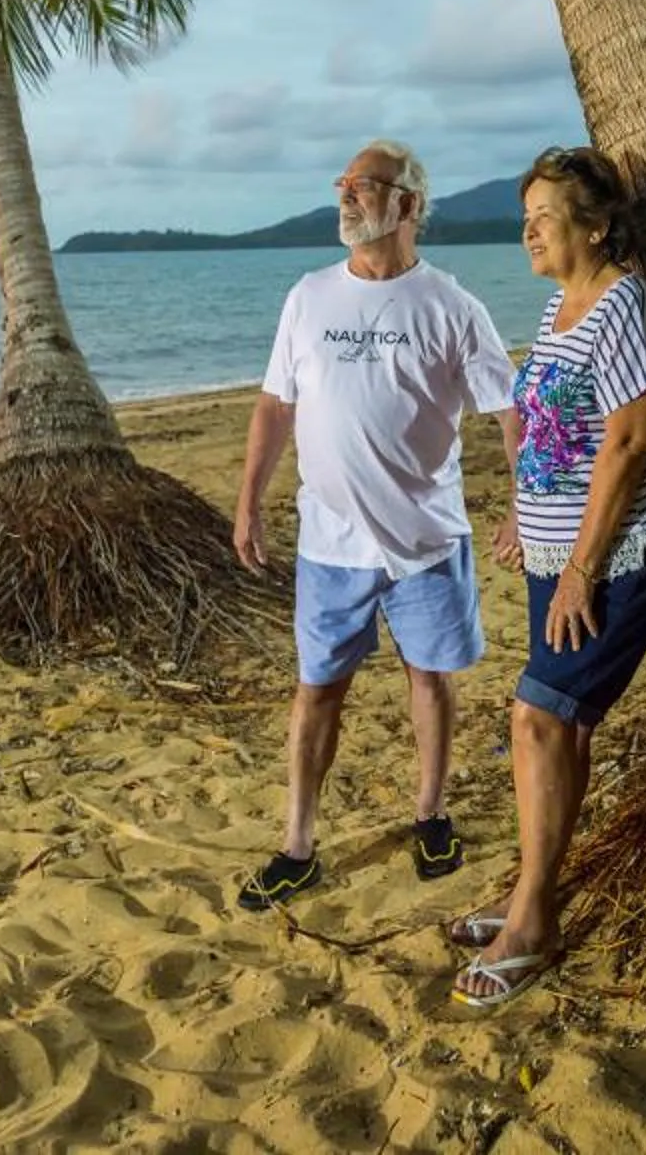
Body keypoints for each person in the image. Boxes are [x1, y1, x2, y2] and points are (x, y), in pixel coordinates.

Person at [450, 145, 646, 1008]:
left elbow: (633, 440)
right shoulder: (562, 305)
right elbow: (560, 433)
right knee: (557, 725)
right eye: (523, 218)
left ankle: (534, 920)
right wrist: (524, 513)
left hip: (623, 552)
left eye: (543, 217)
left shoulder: (626, 305)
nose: (526, 231)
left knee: (536, 716)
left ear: (596, 227)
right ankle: (533, 890)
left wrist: (580, 569)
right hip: (557, 550)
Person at [233, 140, 516, 911]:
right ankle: (297, 845)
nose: (347, 196)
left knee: (430, 678)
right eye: (343, 184)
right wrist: (250, 500)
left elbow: (508, 408)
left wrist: (524, 502)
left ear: (409, 205)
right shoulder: (309, 295)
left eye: (365, 186)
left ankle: (431, 813)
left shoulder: (453, 306)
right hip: (329, 545)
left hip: (426, 540)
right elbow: (275, 405)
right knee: (316, 689)